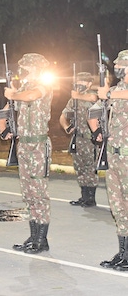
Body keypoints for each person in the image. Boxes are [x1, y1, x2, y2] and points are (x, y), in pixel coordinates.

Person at [0, 53, 53, 254]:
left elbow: (32, 96)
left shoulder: (44, 85)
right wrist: (4, 127)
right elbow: (6, 109)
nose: (24, 71)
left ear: (37, 69)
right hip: (23, 145)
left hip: (38, 146)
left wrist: (13, 94)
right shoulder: (20, 89)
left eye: (27, 68)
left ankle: (42, 239)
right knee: (28, 193)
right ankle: (33, 235)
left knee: (39, 193)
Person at [89, 50, 128, 271]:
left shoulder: (117, 92)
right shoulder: (116, 90)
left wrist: (109, 94)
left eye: (122, 65)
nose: (118, 68)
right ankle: (124, 252)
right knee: (118, 207)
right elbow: (95, 109)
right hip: (114, 155)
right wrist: (98, 131)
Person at [59, 72, 99, 207]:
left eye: (83, 82)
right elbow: (63, 116)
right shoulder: (73, 100)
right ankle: (84, 196)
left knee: (90, 169)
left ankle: (91, 199)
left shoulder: (93, 95)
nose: (79, 84)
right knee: (80, 168)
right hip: (78, 139)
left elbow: (93, 98)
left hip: (91, 140)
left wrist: (77, 95)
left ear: (89, 84)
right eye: (78, 82)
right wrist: (66, 127)